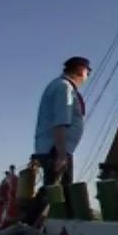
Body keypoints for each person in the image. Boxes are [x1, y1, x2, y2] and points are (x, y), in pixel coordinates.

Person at [31, 56, 90, 219]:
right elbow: (60, 122)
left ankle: (35, 222)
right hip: (56, 149)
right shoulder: (64, 88)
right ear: (80, 70)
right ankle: (26, 222)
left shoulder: (62, 86)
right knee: (55, 190)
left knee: (59, 190)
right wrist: (62, 155)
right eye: (88, 71)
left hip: (56, 148)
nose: (88, 76)